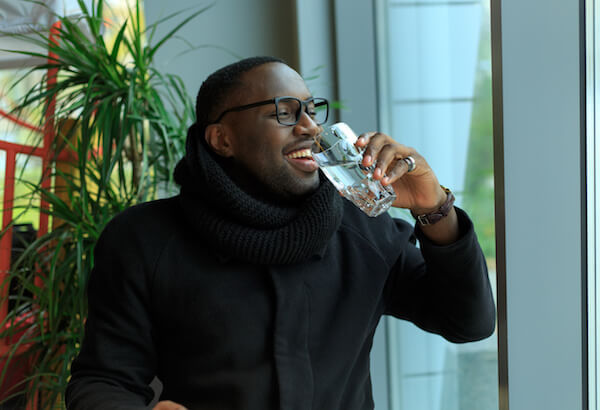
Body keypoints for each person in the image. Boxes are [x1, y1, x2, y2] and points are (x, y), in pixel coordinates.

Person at [65, 56, 496, 410]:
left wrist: (434, 207)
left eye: (311, 109)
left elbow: (468, 322)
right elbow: (103, 380)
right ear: (222, 138)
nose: (309, 126)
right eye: (284, 112)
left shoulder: (364, 229)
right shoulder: (144, 240)